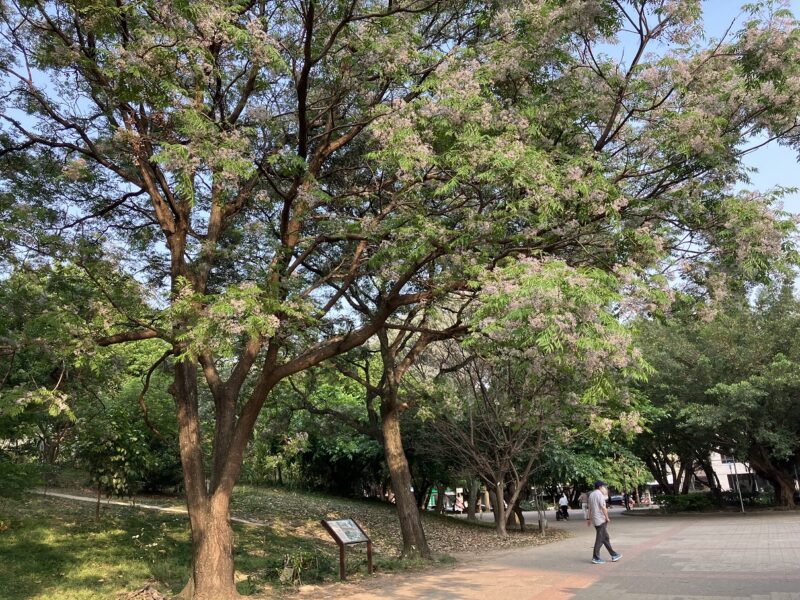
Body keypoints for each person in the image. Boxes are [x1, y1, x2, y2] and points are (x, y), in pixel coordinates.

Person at [587, 480, 622, 565]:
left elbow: (590, 508)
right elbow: (603, 508)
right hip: (601, 519)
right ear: (600, 487)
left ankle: (614, 554)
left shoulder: (591, 494)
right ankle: (595, 557)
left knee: (605, 537)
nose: (605, 488)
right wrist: (607, 518)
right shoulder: (600, 495)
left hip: (595, 519)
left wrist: (589, 519)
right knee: (600, 538)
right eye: (604, 487)